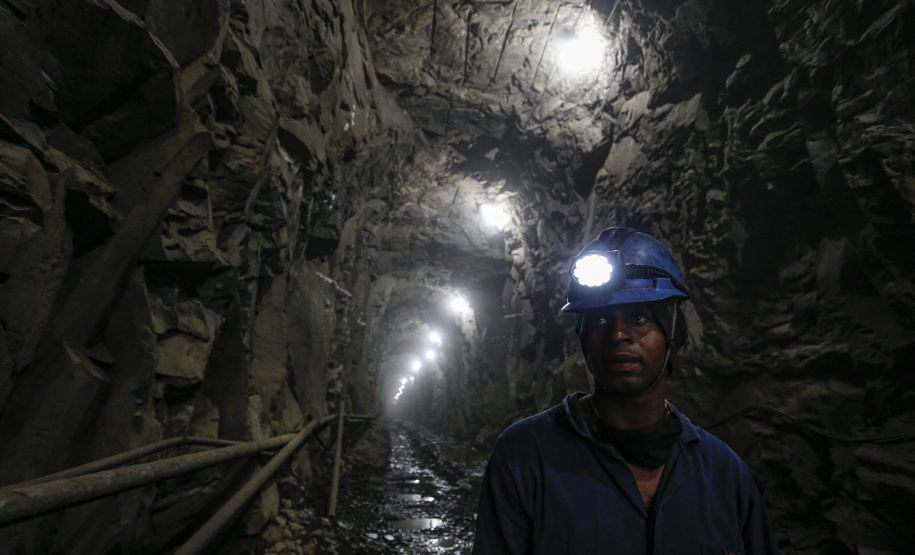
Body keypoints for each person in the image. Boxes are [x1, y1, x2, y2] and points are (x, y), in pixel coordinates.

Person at [472, 227, 779, 555]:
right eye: (600, 320)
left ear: (674, 333)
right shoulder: (525, 456)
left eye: (638, 317)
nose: (618, 335)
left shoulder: (724, 474)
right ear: (582, 337)